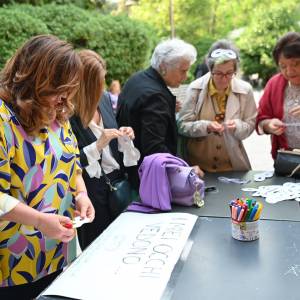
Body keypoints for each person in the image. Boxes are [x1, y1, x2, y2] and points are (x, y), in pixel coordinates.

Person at [0, 35, 95, 299]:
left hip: (56, 251)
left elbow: (71, 161)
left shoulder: (58, 112)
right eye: (58, 89)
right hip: (12, 262)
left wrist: (81, 194)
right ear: (34, 79)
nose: (64, 98)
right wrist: (40, 220)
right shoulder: (3, 120)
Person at [70, 50, 139, 250]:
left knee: (123, 244)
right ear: (85, 84)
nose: (103, 85)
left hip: (118, 183)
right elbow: (70, 163)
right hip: (91, 193)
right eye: (99, 81)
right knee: (98, 249)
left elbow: (112, 138)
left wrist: (125, 133)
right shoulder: (67, 113)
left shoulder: (105, 99)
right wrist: (99, 144)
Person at [117, 38, 203, 190]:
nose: (186, 76)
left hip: (129, 169)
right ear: (163, 67)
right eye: (183, 70)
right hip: (148, 181)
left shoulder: (137, 79)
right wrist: (184, 170)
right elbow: (155, 148)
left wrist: (168, 108)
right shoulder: (156, 96)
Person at [177, 39, 257, 172]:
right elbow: (182, 125)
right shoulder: (195, 88)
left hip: (232, 165)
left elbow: (250, 125)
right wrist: (205, 126)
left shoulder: (245, 90)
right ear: (210, 69)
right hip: (198, 167)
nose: (224, 78)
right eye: (218, 73)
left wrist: (237, 126)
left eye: (229, 73)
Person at [256, 32, 300, 159]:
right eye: (283, 66)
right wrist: (268, 124)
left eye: (296, 64)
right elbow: (260, 119)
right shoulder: (274, 84)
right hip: (287, 158)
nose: (289, 71)